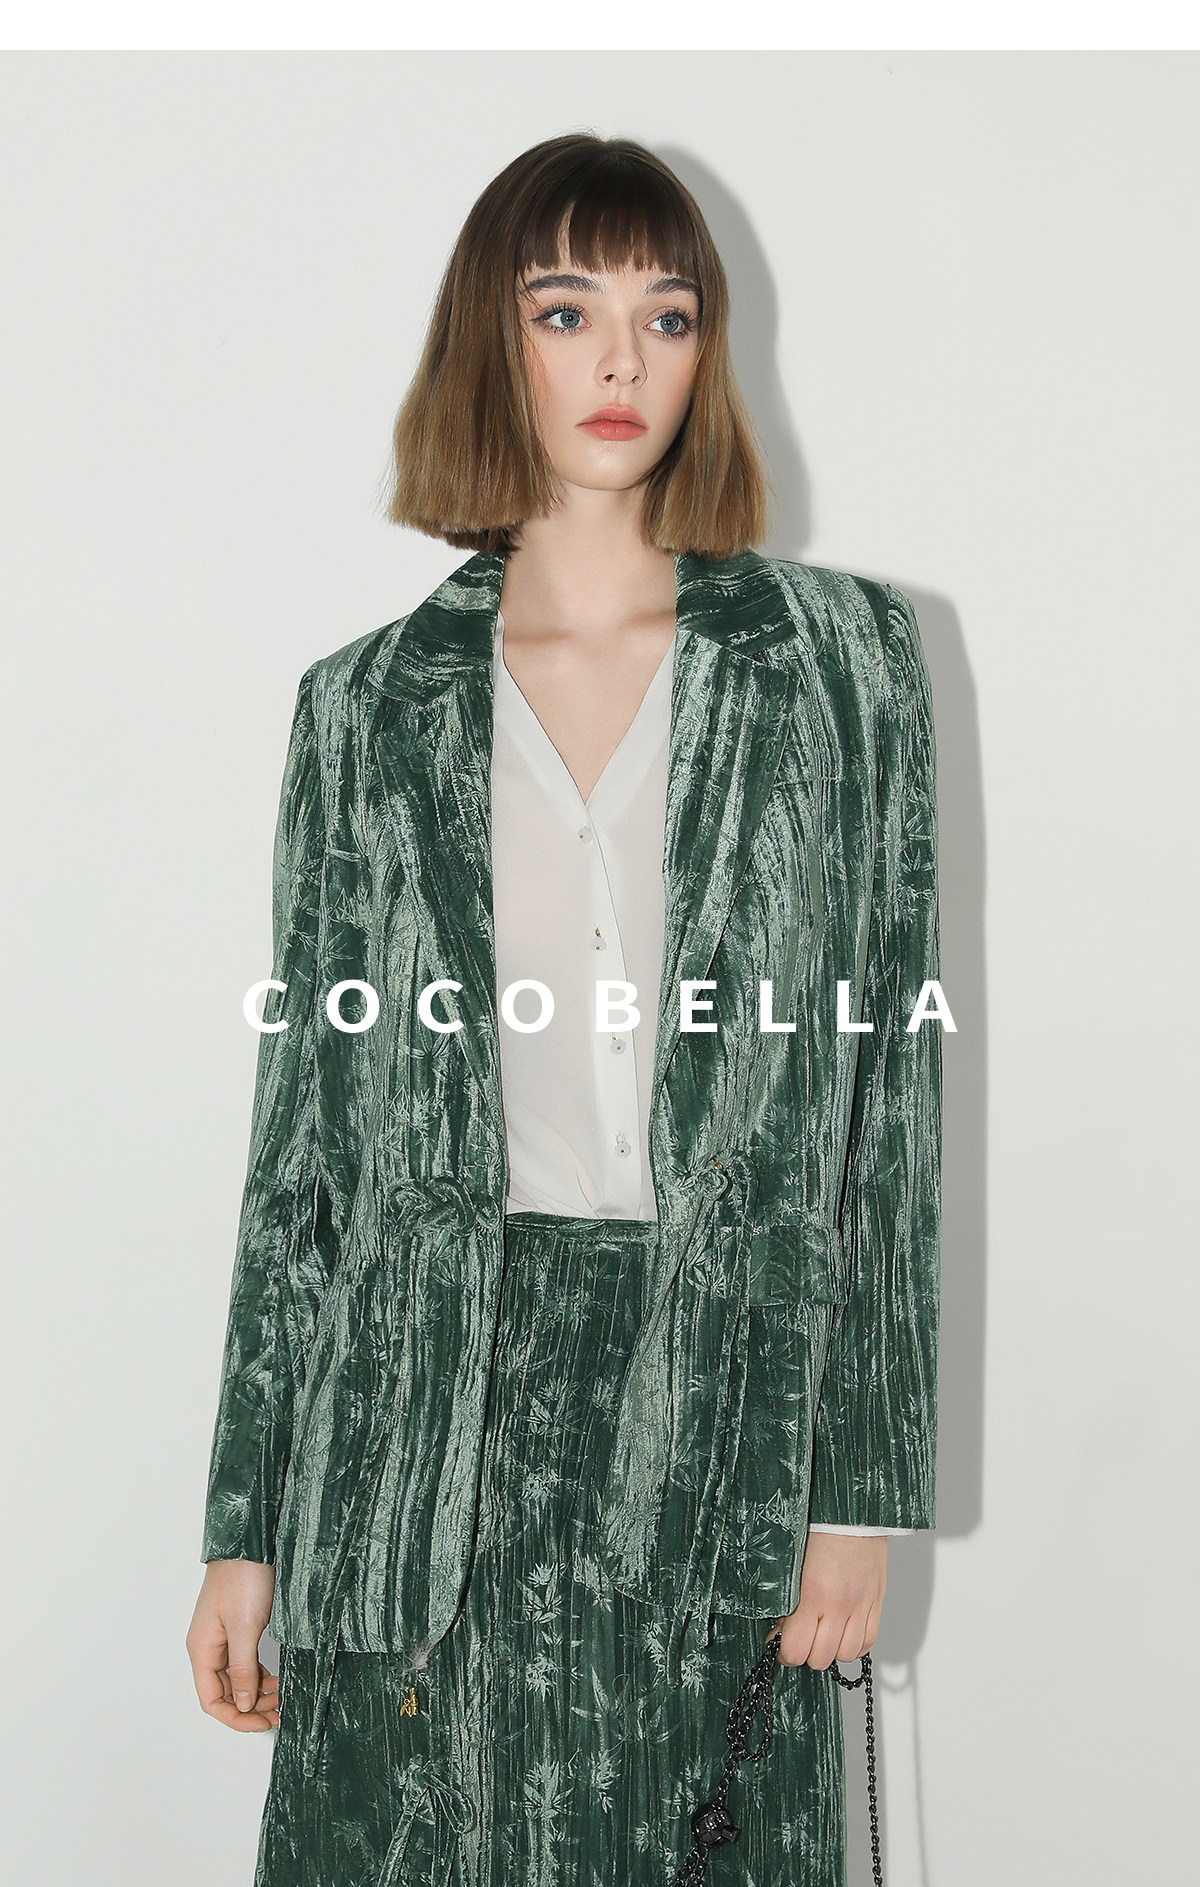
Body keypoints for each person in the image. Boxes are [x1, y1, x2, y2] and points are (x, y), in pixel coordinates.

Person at [186, 132, 942, 1887]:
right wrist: (246, 1528)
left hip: (722, 1412)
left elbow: (889, 1097)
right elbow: (302, 1150)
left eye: (667, 316)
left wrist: (859, 1487)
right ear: (493, 336)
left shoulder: (842, 663)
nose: (622, 361)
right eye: (566, 310)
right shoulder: (363, 706)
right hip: (411, 1442)